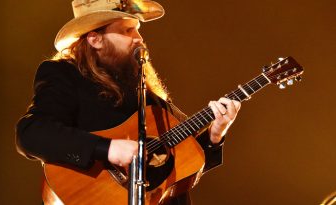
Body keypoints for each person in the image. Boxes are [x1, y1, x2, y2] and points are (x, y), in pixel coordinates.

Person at [16, 0, 241, 204]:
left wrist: (215, 133)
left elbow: (184, 167)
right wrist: (108, 149)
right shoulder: (64, 74)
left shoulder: (149, 98)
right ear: (95, 39)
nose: (139, 38)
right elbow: (31, 133)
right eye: (127, 30)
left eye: (138, 30)